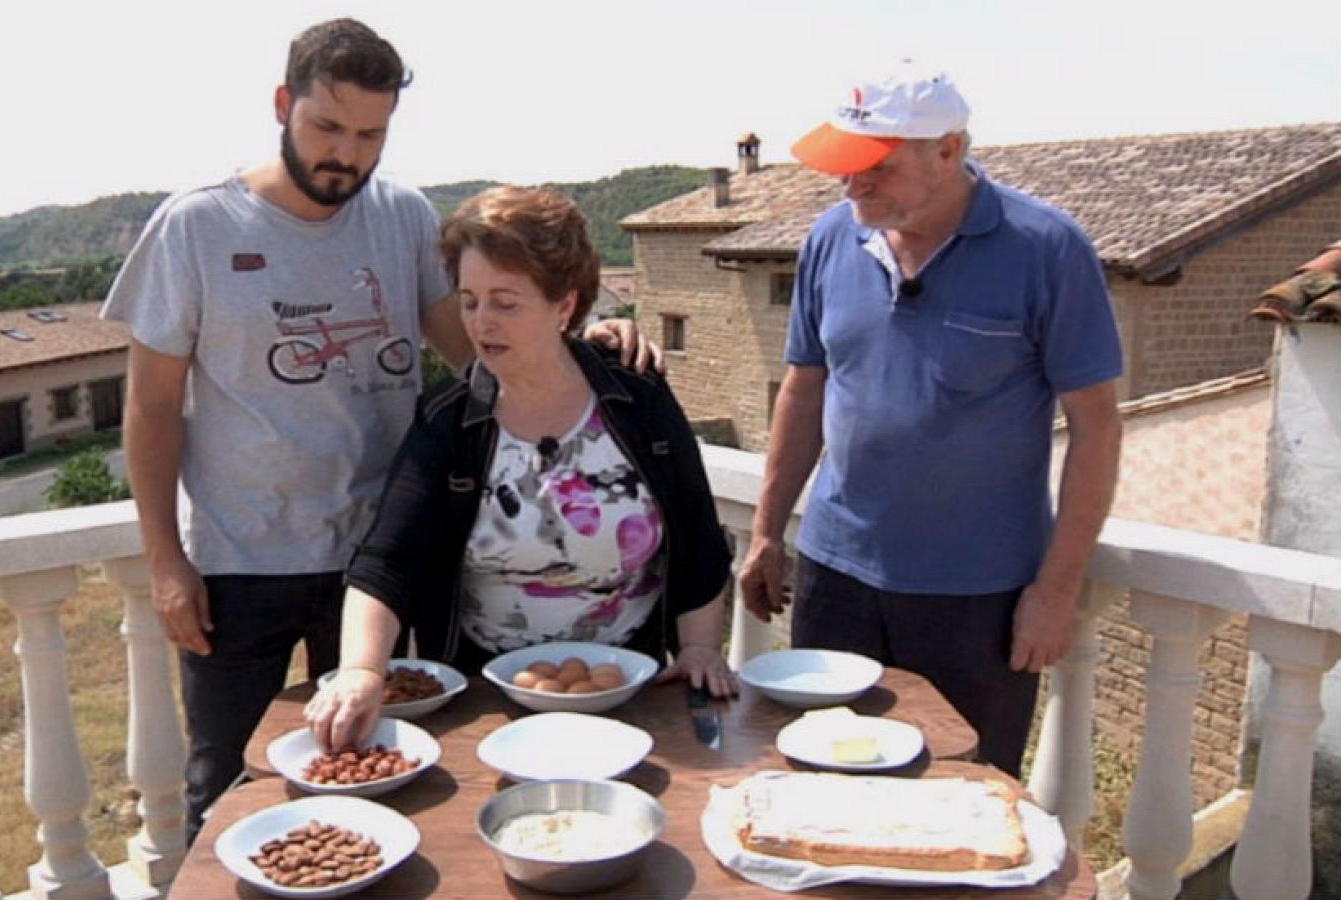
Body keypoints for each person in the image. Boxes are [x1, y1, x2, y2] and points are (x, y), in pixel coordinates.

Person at [101, 20, 656, 842]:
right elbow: (150, 408)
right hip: (238, 567)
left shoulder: (401, 218)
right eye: (327, 127)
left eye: (371, 135)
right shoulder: (196, 228)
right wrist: (164, 562)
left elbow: (481, 350)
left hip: (383, 571)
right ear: (283, 104)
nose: (346, 155)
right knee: (226, 784)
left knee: (379, 777)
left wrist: (585, 342)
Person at [737, 60, 1123, 778]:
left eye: (875, 168)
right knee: (823, 778)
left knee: (963, 790)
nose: (852, 185)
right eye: (844, 166)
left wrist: (1056, 590)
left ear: (948, 151)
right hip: (835, 578)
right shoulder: (830, 239)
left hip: (977, 596)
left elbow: (1097, 427)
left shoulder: (1046, 248)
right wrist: (766, 533)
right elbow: (804, 391)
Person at [305, 186, 738, 753]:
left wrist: (700, 648)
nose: (481, 323)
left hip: (630, 691)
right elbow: (388, 559)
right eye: (469, 301)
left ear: (564, 305)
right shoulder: (449, 418)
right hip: (485, 703)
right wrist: (361, 670)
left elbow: (697, 535)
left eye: (505, 303)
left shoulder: (637, 397)